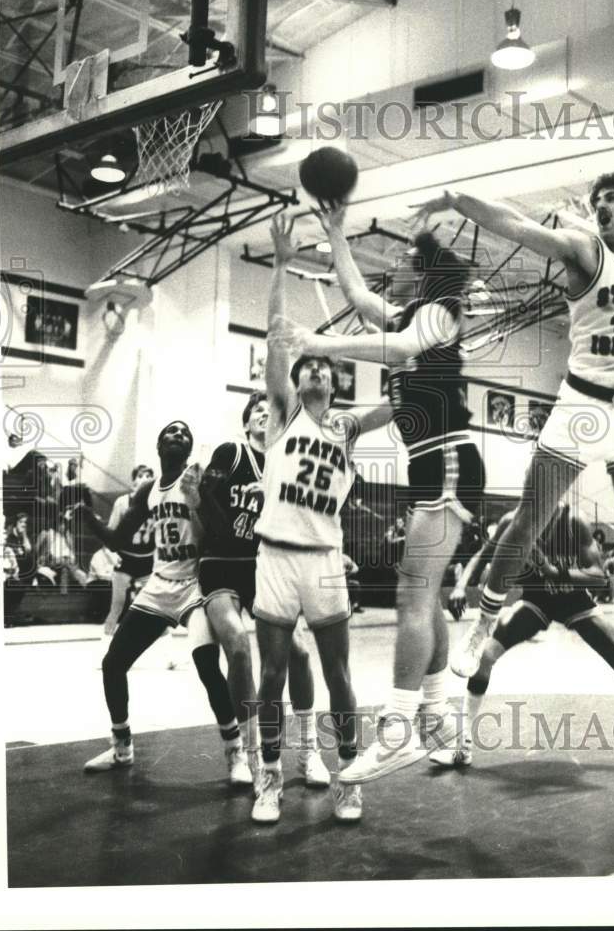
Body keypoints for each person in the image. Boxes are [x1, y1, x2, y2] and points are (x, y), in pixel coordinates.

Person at [412, 174, 614, 732]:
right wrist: (458, 197)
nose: (598, 207)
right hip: (583, 403)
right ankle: (483, 624)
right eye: (594, 201)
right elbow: (517, 225)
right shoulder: (585, 249)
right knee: (529, 518)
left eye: (609, 200)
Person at [274, 206, 486, 785]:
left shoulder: (441, 314)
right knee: (429, 594)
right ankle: (442, 724)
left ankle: (397, 730)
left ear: (425, 273)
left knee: (411, 595)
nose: (395, 266)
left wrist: (319, 340)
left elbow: (394, 349)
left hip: (447, 459)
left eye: (407, 260)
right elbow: (358, 294)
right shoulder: (410, 315)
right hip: (429, 464)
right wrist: (337, 229)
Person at [251, 213, 390, 823]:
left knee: (339, 676)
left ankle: (350, 777)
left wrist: (413, 343)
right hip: (277, 554)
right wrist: (280, 266)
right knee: (273, 673)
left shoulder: (347, 426)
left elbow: (404, 399)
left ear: (334, 379)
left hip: (326, 559)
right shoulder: (281, 414)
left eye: (321, 366)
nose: (311, 369)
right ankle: (269, 780)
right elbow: (278, 334)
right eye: (305, 365)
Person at [433, 504, 614, 767]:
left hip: (574, 601)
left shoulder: (573, 522)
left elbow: (598, 575)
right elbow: (483, 554)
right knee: (484, 656)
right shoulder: (515, 520)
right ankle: (462, 746)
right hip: (536, 602)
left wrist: (554, 571)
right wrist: (460, 586)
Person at [75, 421, 257, 785]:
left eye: (185, 434)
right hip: (159, 585)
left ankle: (234, 750)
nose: (179, 436)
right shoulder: (147, 491)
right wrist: (86, 516)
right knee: (113, 665)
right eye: (172, 432)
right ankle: (122, 748)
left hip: (196, 584)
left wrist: (200, 500)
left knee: (206, 664)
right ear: (159, 445)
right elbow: (117, 540)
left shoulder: (201, 479)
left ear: (189, 449)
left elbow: (222, 533)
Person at [191, 391, 331, 793]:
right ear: (248, 420)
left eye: (272, 413)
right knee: (236, 645)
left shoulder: (288, 466)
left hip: (264, 567)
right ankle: (251, 756)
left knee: (300, 652)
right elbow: (202, 502)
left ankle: (307, 750)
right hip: (220, 564)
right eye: (258, 411)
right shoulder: (231, 453)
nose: (265, 416)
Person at [103, 464, 155, 636]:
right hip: (125, 558)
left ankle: (168, 650)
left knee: (156, 608)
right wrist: (112, 557)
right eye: (141, 475)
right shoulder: (122, 502)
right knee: (117, 605)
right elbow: (110, 533)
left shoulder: (156, 503)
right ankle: (105, 643)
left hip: (147, 560)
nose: (144, 479)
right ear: (133, 481)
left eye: (148, 476)